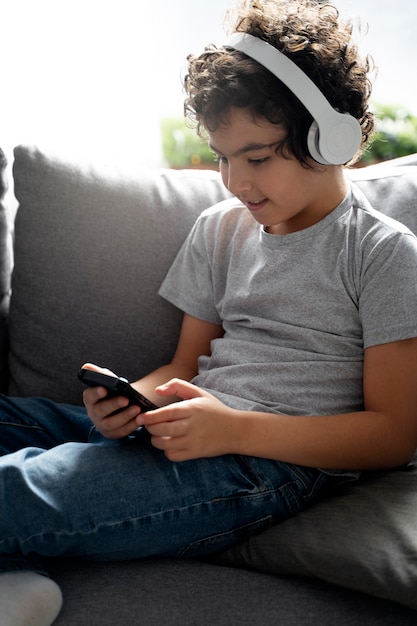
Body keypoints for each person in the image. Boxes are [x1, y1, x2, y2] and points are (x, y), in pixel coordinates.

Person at [1, 1, 417, 624]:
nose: (234, 181)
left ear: (329, 136)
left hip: (264, 465)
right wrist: (124, 407)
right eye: (223, 158)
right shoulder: (220, 228)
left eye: (256, 158)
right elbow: (182, 364)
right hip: (185, 427)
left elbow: (393, 433)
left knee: (17, 491)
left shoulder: (383, 253)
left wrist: (233, 430)